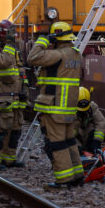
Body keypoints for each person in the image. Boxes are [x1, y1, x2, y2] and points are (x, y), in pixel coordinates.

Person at [27, 21, 84, 188]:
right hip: (68, 108)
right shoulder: (76, 54)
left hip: (54, 107)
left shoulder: (58, 55)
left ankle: (64, 179)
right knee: (69, 141)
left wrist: (42, 41)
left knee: (57, 144)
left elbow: (32, 58)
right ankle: (77, 175)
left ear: (56, 37)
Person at [0, 19, 28, 170]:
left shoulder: (12, 50)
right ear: (2, 36)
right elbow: (3, 62)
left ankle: (9, 158)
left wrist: (24, 93)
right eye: (10, 35)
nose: (13, 38)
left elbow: (20, 71)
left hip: (15, 97)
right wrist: (9, 45)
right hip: (1, 98)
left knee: (14, 130)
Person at [75, 87, 105, 153]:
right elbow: (68, 133)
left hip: (87, 135)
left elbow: (101, 123)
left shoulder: (92, 107)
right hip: (75, 138)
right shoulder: (70, 110)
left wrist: (97, 141)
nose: (83, 111)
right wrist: (76, 146)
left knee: (91, 128)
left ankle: (91, 151)